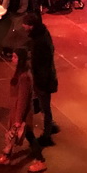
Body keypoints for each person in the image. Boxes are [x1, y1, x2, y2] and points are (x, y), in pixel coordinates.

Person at [0, 48, 46, 172]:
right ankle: (6, 156)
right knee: (12, 135)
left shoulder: (24, 77)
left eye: (15, 57)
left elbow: (23, 99)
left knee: (29, 136)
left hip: (21, 113)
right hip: (16, 111)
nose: (12, 59)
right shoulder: (20, 73)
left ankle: (41, 161)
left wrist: (18, 119)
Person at [25, 13, 58, 145]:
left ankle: (47, 135)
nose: (23, 26)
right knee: (44, 105)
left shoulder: (38, 41)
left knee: (45, 106)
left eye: (25, 24)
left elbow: (40, 63)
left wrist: (38, 81)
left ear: (31, 26)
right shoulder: (43, 34)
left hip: (43, 80)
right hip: (45, 76)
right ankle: (50, 126)